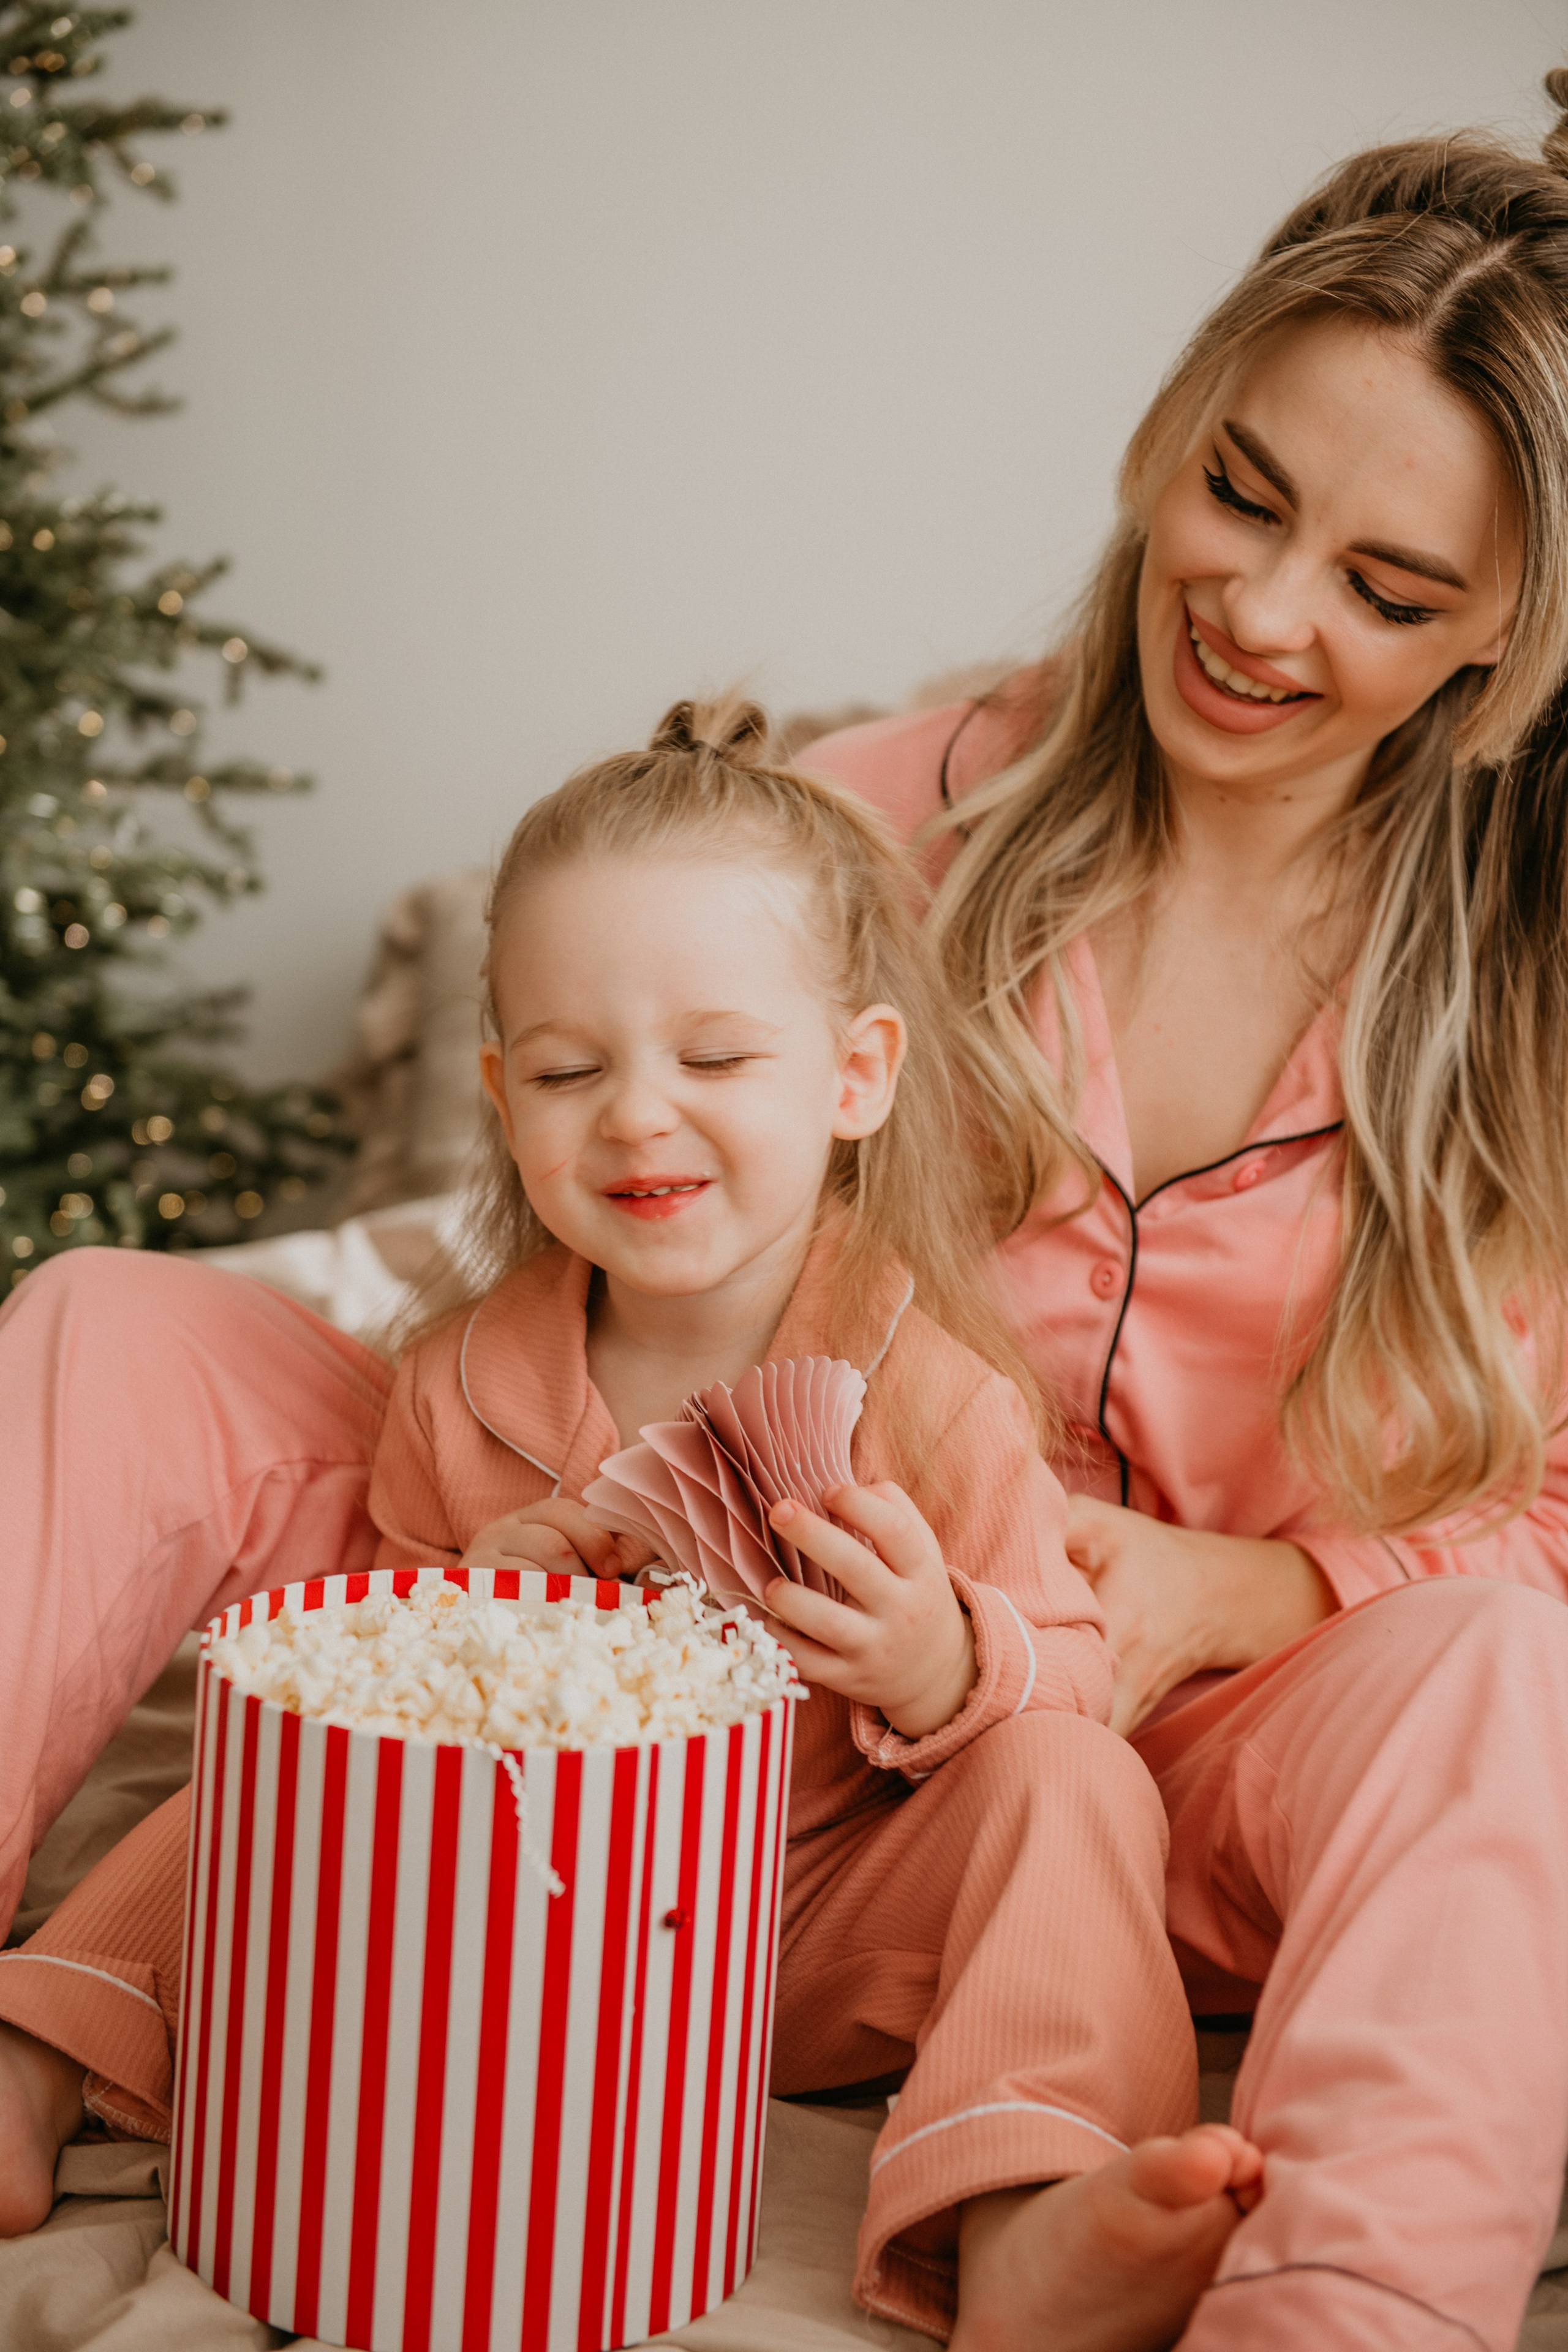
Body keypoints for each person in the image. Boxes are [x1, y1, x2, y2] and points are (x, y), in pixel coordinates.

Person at [0, 701, 1259, 2348]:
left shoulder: (932, 1391)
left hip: (817, 1926)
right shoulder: (459, 1382)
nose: (639, 1115)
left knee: (1075, 1781)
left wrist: (944, 1657)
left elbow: (1077, 1674)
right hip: (521, 1919)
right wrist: (473, 1598)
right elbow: (390, 1642)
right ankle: (39, 2053)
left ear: (857, 1077)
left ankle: (1026, 2200)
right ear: (501, 1097)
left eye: (715, 1060)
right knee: (283, 1762)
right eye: (569, 1071)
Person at [792, 66, 1568, 2352]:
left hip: (1242, 1800)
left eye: (1392, 590)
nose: (1260, 610)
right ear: (1172, 428)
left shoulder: (1536, 1005)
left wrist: (1269, 1587)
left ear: (1503, 649)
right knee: (119, 1326)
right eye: (1241, 491)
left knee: (1501, 1664)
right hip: (850, 1786)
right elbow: (626, 1297)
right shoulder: (856, 839)